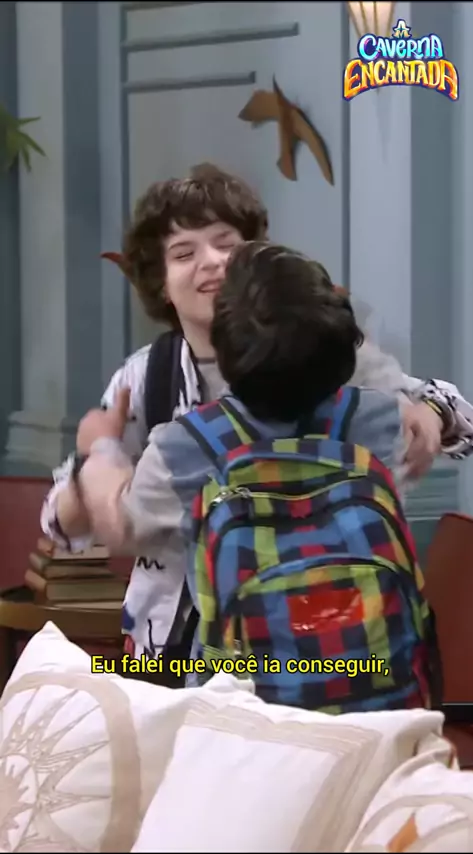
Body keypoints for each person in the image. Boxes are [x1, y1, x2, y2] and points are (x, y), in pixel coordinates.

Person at [41, 168, 473, 683]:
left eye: (226, 244)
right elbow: (67, 523)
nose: (211, 261)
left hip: (339, 639)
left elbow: (461, 422)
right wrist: (91, 473)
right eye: (184, 253)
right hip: (179, 651)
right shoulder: (146, 378)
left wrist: (431, 412)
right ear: (160, 282)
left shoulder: (328, 354)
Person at [66, 242, 437, 712]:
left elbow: (120, 526)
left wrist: (100, 447)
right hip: (380, 706)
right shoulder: (382, 421)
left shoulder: (186, 447)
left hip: (245, 717)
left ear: (225, 349)